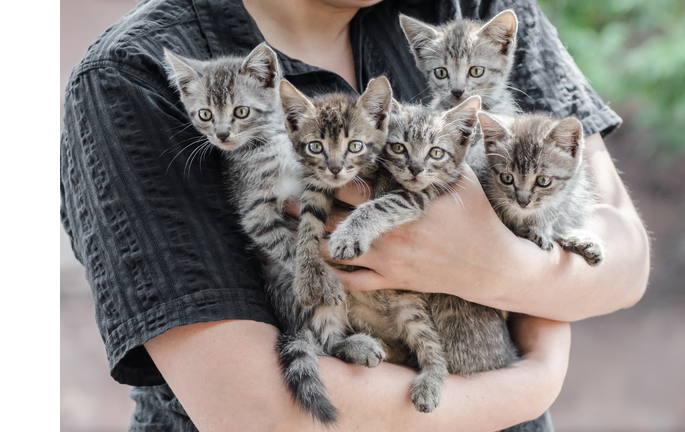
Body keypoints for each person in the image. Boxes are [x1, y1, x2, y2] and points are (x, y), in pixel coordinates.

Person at [59, 0, 649, 430]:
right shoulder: (128, 79)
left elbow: (623, 254)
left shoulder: (472, 11)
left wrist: (494, 263)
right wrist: (533, 383)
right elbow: (257, 413)